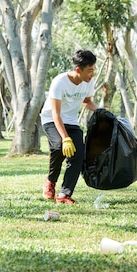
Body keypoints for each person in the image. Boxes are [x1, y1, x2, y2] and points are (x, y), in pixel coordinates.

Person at [41, 50, 98, 204]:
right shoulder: (59, 82)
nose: (92, 74)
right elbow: (56, 113)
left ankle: (64, 194)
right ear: (78, 70)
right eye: (89, 71)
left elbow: (87, 101)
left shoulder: (88, 82)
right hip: (51, 119)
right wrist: (66, 138)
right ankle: (50, 181)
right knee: (60, 146)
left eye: (93, 70)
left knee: (78, 155)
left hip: (71, 121)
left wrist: (100, 110)